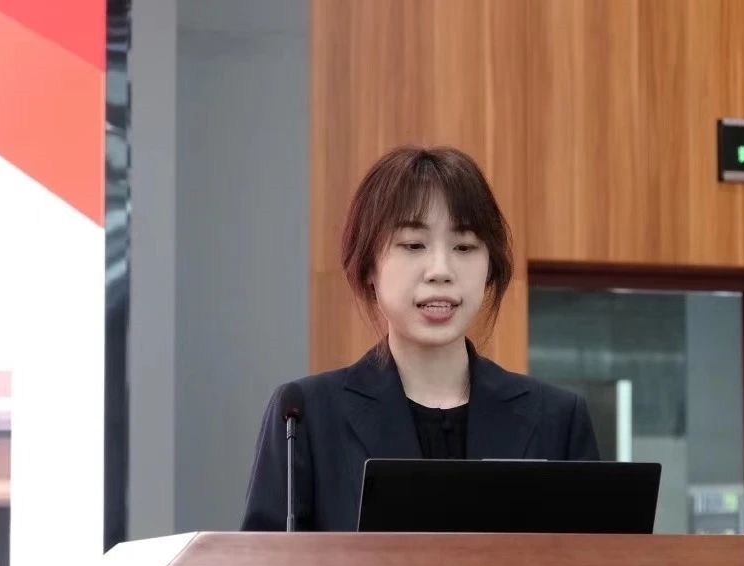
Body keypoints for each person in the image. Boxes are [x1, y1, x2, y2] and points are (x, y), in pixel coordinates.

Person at [240, 145, 599, 531]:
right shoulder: (304, 416)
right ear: (369, 267)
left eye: (464, 247)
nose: (440, 270)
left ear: (490, 269)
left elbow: (597, 565)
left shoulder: (557, 419)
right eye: (413, 245)